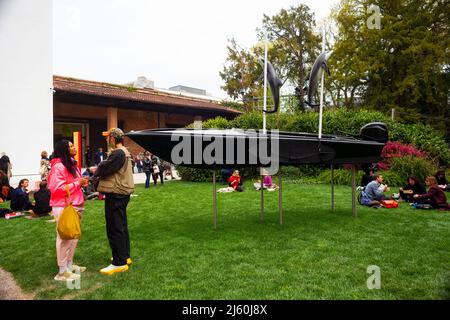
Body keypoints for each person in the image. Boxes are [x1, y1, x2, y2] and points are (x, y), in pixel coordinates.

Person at [91, 128, 134, 275]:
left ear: (114, 139)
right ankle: (124, 256)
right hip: (122, 193)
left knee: (114, 228)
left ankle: (119, 262)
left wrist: (95, 170)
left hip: (116, 193)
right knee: (121, 226)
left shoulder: (117, 153)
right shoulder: (125, 152)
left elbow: (105, 168)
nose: (107, 140)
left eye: (108, 137)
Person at [47, 139, 89, 281]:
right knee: (65, 237)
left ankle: (69, 265)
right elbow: (56, 189)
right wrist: (78, 183)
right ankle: (62, 271)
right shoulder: (58, 166)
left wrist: (82, 181)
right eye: (71, 146)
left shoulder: (71, 164)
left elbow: (73, 183)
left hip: (75, 204)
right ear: (64, 149)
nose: (74, 147)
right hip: (64, 205)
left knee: (73, 237)